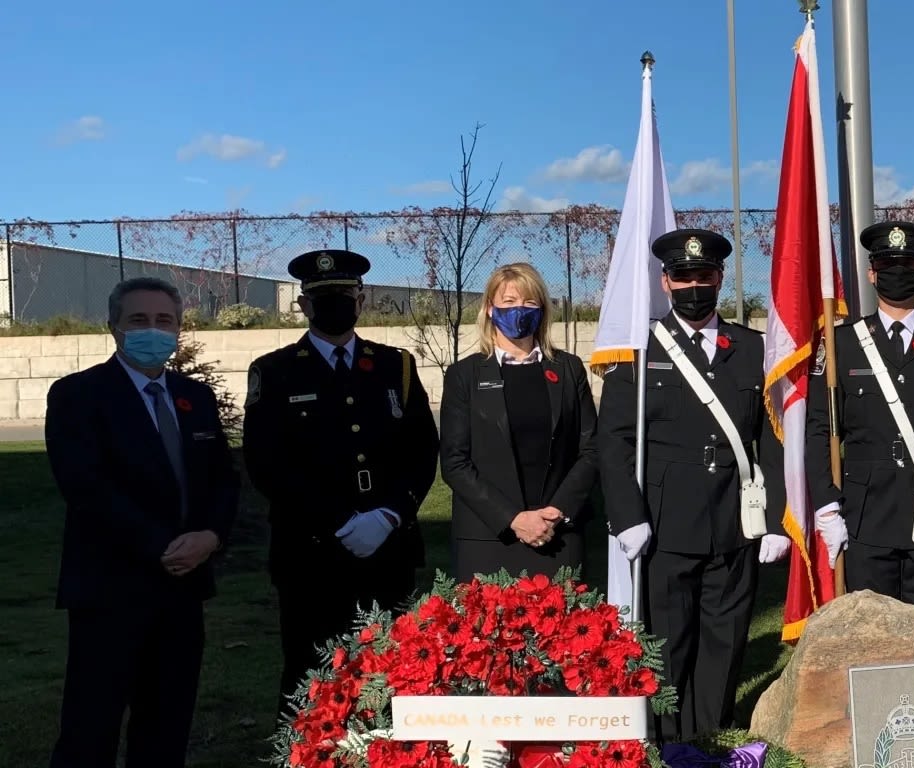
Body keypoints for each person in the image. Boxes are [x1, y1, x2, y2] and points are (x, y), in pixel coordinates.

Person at [598, 227, 789, 741]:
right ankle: (665, 737)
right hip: (663, 524)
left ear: (720, 279)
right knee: (669, 639)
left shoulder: (752, 350)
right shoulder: (638, 350)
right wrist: (627, 516)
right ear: (665, 281)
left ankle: (710, 732)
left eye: (703, 276)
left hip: (733, 520)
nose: (694, 286)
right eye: (683, 277)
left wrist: (775, 521)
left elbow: (771, 440)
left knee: (725, 636)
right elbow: (614, 441)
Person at [45, 277, 239, 768]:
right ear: (113, 327)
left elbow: (222, 479)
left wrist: (211, 537)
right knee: (91, 729)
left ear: (177, 328)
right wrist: (163, 546)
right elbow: (86, 488)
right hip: (110, 589)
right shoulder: (77, 395)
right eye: (139, 320)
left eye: (164, 321)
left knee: (166, 726)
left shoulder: (194, 396)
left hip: (183, 589)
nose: (153, 330)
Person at [243, 249, 439, 710]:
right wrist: (340, 520)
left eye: (344, 296)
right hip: (310, 552)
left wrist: (390, 514)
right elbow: (266, 463)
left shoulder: (397, 366)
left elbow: (421, 450)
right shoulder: (273, 371)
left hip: (388, 548)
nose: (335, 305)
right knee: (310, 673)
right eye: (322, 298)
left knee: (394, 670)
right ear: (304, 306)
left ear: (361, 300)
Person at [808, 221, 914, 617]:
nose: (897, 274)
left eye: (907, 265)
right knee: (870, 639)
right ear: (872, 274)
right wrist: (826, 507)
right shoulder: (842, 345)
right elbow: (820, 431)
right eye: (887, 265)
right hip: (865, 515)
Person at [439, 263, 599, 581]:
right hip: (488, 538)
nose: (519, 311)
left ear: (542, 310)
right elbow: (455, 462)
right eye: (509, 302)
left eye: (529, 303)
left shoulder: (568, 369)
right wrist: (513, 519)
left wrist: (557, 511)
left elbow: (591, 448)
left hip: (557, 535)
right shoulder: (464, 375)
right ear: (489, 308)